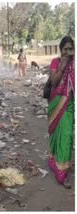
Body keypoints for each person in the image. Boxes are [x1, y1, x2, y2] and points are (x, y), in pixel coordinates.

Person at [47, 36, 75, 188]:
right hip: (56, 102)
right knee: (59, 135)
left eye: (71, 49)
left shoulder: (75, 64)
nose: (68, 52)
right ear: (61, 49)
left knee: (67, 136)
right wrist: (63, 66)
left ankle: (62, 164)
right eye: (66, 49)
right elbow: (54, 82)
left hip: (70, 104)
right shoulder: (55, 62)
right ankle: (60, 171)